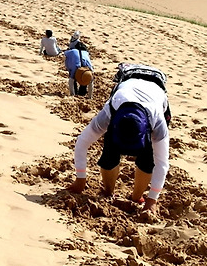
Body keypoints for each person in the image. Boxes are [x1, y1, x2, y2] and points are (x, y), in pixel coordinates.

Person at [67, 64, 171, 216]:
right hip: (127, 82)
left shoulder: (158, 122)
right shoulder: (109, 112)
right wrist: (80, 180)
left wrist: (152, 201)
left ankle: (137, 197)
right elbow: (82, 142)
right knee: (109, 156)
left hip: (156, 86)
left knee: (147, 160)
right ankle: (108, 191)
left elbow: (161, 163)